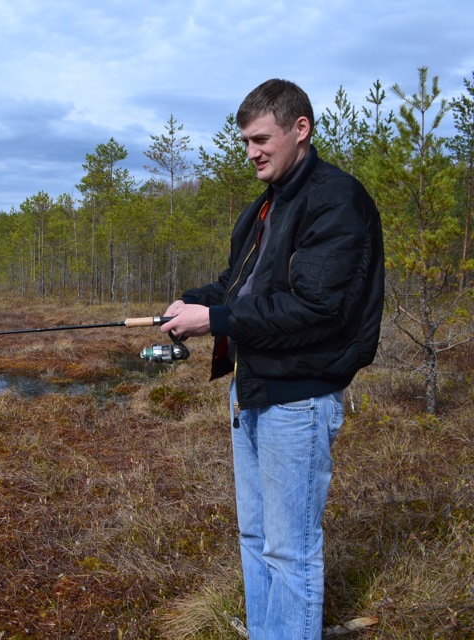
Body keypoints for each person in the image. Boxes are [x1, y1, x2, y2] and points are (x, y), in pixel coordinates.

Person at [159, 79, 384, 640]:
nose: (252, 151)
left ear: (300, 130)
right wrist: (194, 302)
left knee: (290, 550)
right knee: (255, 538)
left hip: (299, 398)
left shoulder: (336, 200)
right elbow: (238, 288)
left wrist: (213, 321)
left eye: (262, 138)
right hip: (253, 389)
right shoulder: (266, 206)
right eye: (245, 142)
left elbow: (315, 307)